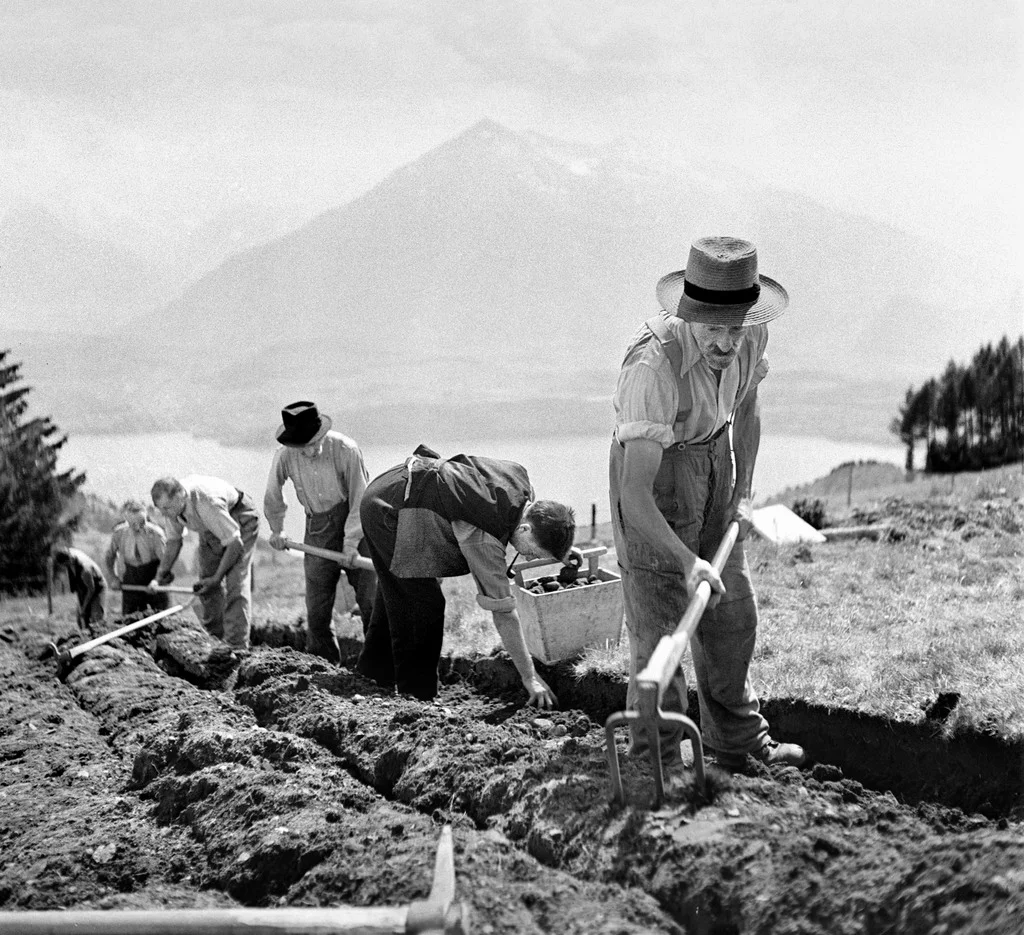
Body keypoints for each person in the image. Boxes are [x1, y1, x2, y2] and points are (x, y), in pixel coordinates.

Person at [609, 236, 806, 771]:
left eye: (734, 328)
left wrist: (742, 492)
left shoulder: (751, 335)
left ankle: (737, 740)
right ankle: (656, 761)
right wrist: (684, 560)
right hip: (657, 473)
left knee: (732, 609)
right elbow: (634, 491)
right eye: (713, 329)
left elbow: (746, 411)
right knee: (661, 625)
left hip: (716, 458)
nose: (726, 343)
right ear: (688, 313)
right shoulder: (652, 368)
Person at [356, 444, 575, 706]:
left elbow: (548, 525)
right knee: (422, 606)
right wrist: (530, 677)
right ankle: (417, 699)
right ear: (526, 529)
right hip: (388, 510)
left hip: (396, 485)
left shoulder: (522, 487)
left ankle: (371, 673)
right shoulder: (484, 535)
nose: (529, 558)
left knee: (398, 591)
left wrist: (563, 552)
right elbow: (504, 613)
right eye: (535, 553)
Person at [264, 400, 378, 664]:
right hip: (317, 526)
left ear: (322, 435)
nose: (309, 451)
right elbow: (273, 494)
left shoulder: (346, 450)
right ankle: (323, 665)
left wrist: (350, 544)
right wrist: (278, 529)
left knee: (370, 600)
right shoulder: (285, 455)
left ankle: (377, 666)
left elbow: (361, 498)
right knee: (317, 609)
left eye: (314, 443)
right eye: (303, 447)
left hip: (356, 524)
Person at [150, 475, 259, 651]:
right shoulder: (173, 509)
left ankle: (237, 647)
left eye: (167, 508)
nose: (165, 514)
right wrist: (160, 575)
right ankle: (215, 639)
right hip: (209, 527)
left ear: (180, 495)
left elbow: (234, 543)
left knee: (235, 582)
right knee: (206, 585)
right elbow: (173, 541)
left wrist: (217, 577)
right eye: (161, 509)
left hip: (240, 518)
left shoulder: (206, 503)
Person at [103, 498, 169, 615]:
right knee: (130, 618)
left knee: (163, 617)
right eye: (133, 524)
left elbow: (165, 562)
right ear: (127, 520)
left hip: (154, 572)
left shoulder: (155, 534)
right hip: (131, 577)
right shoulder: (119, 533)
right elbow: (109, 557)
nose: (138, 527)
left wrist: (156, 581)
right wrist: (114, 578)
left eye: (142, 522)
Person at [52, 547, 106, 628]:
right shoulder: (69, 554)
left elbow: (91, 590)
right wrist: (82, 609)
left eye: (65, 565)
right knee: (81, 619)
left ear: (68, 561)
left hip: (98, 586)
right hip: (83, 586)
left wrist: (84, 608)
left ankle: (101, 637)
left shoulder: (85, 570)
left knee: (96, 619)